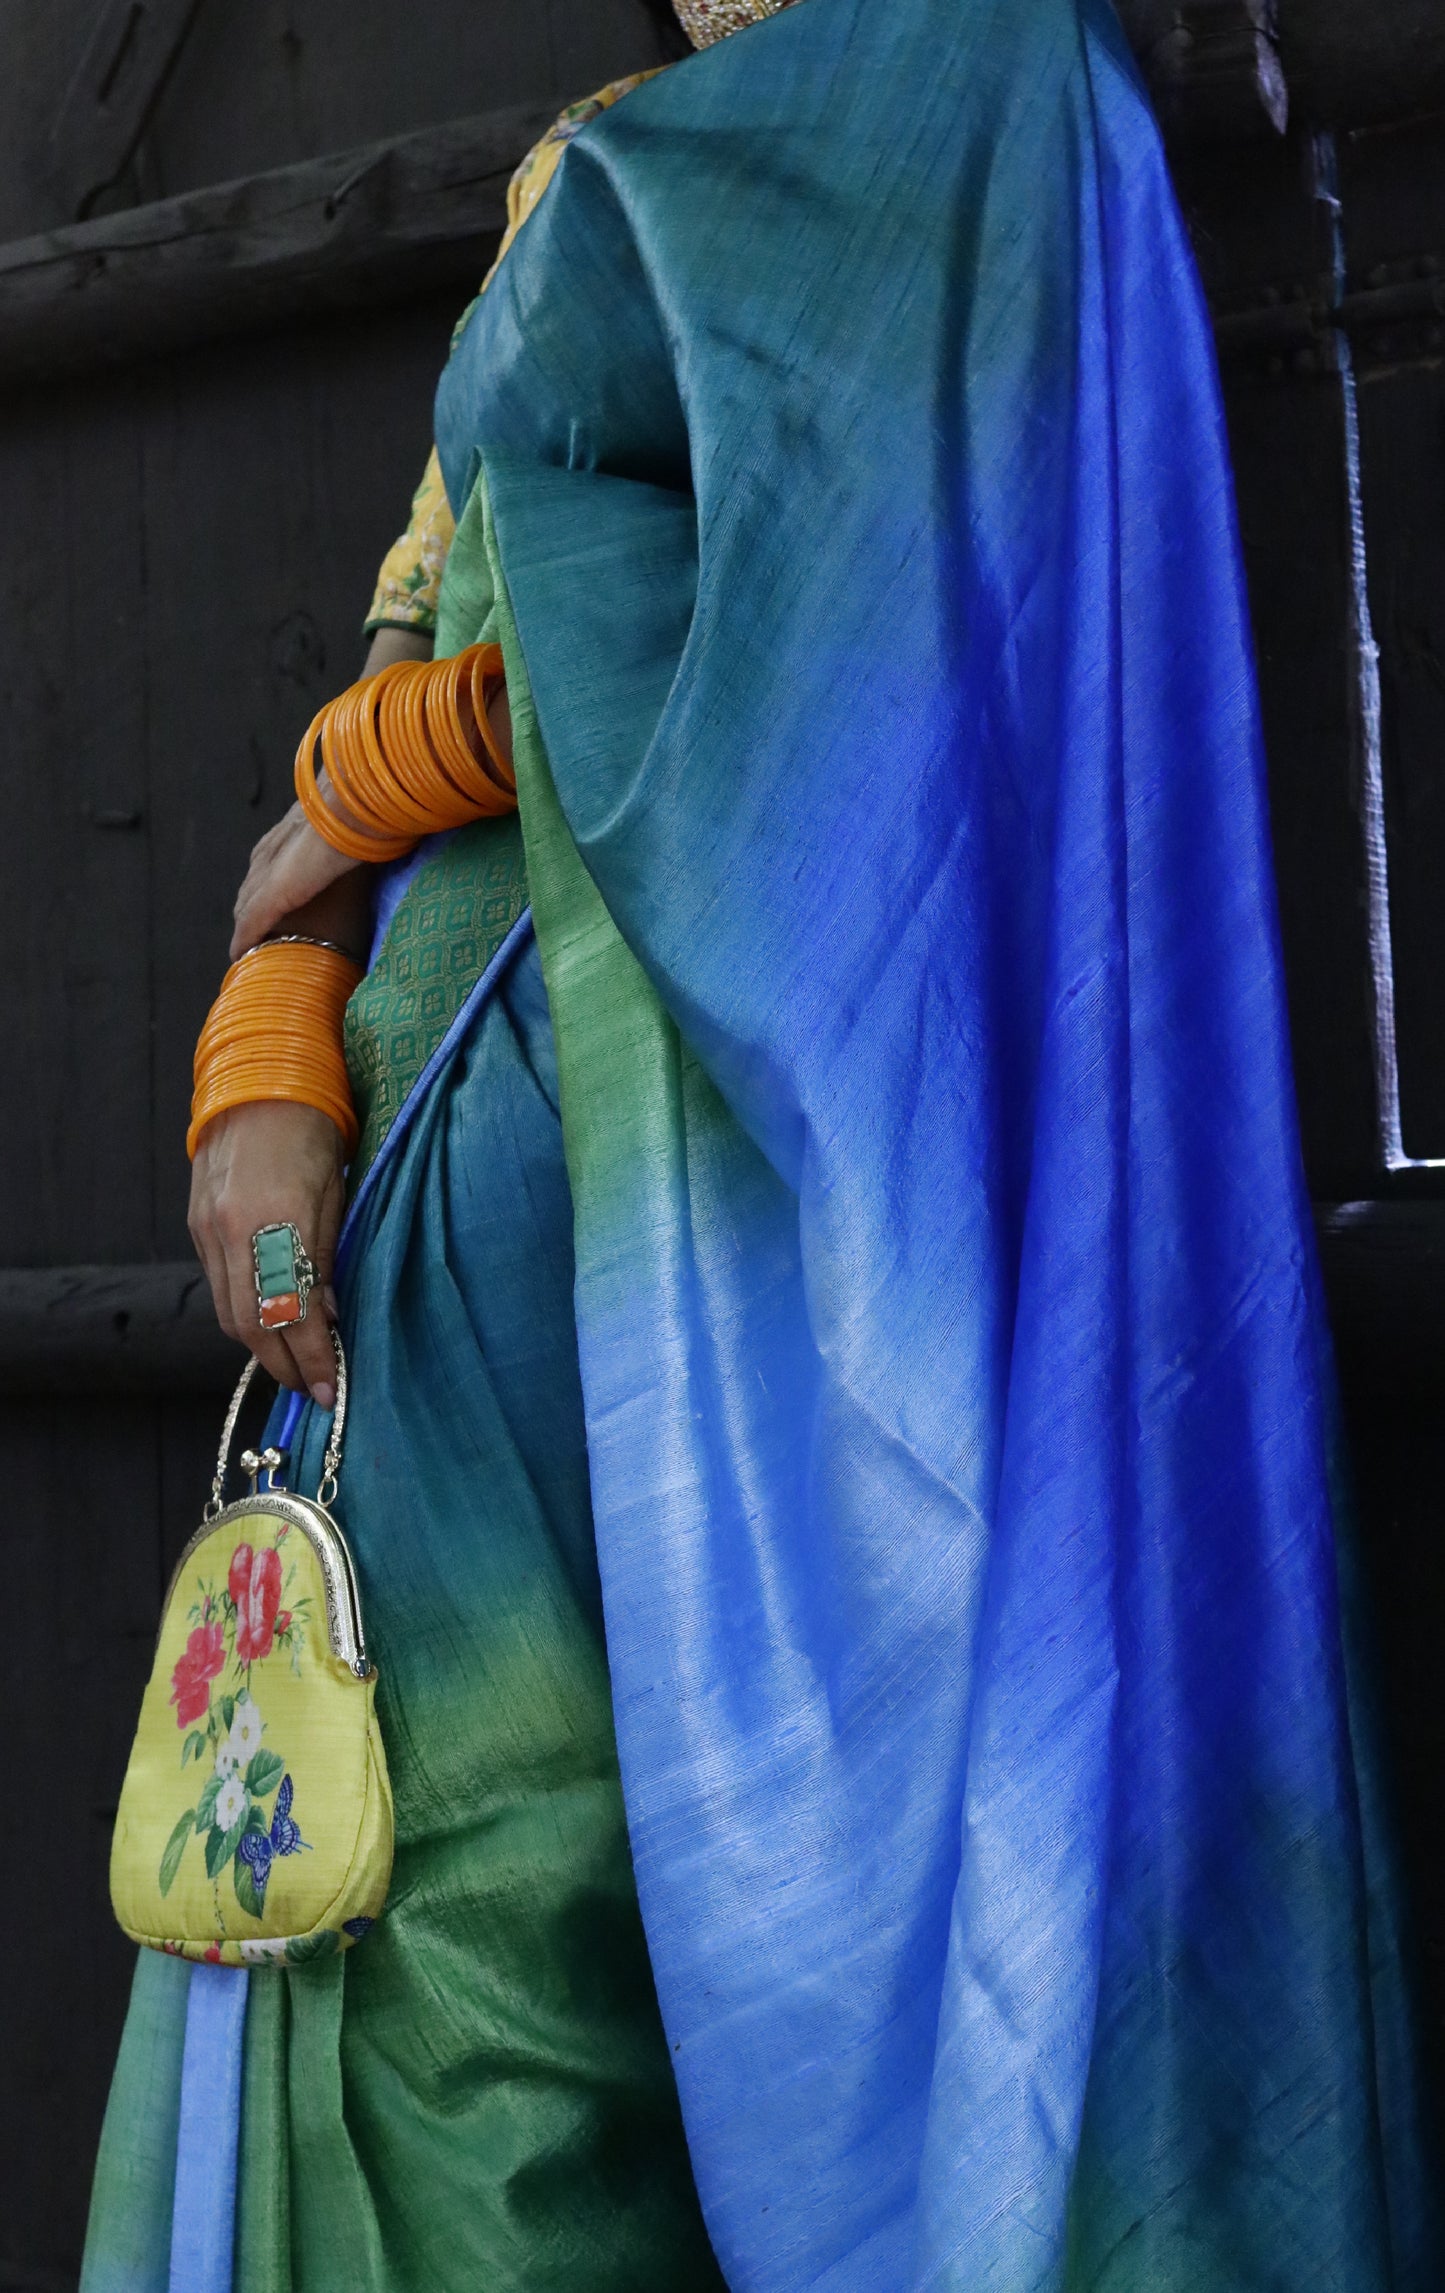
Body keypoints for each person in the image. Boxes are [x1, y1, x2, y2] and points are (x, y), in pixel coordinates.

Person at [84, 0, 1441, 2286]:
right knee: (452, 2009)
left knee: (789, 2030)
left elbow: (851, 655)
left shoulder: (1004, 104)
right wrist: (270, 1044)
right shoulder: (588, 155)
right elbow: (392, 657)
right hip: (453, 1238)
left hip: (793, 1269)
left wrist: (401, 763)